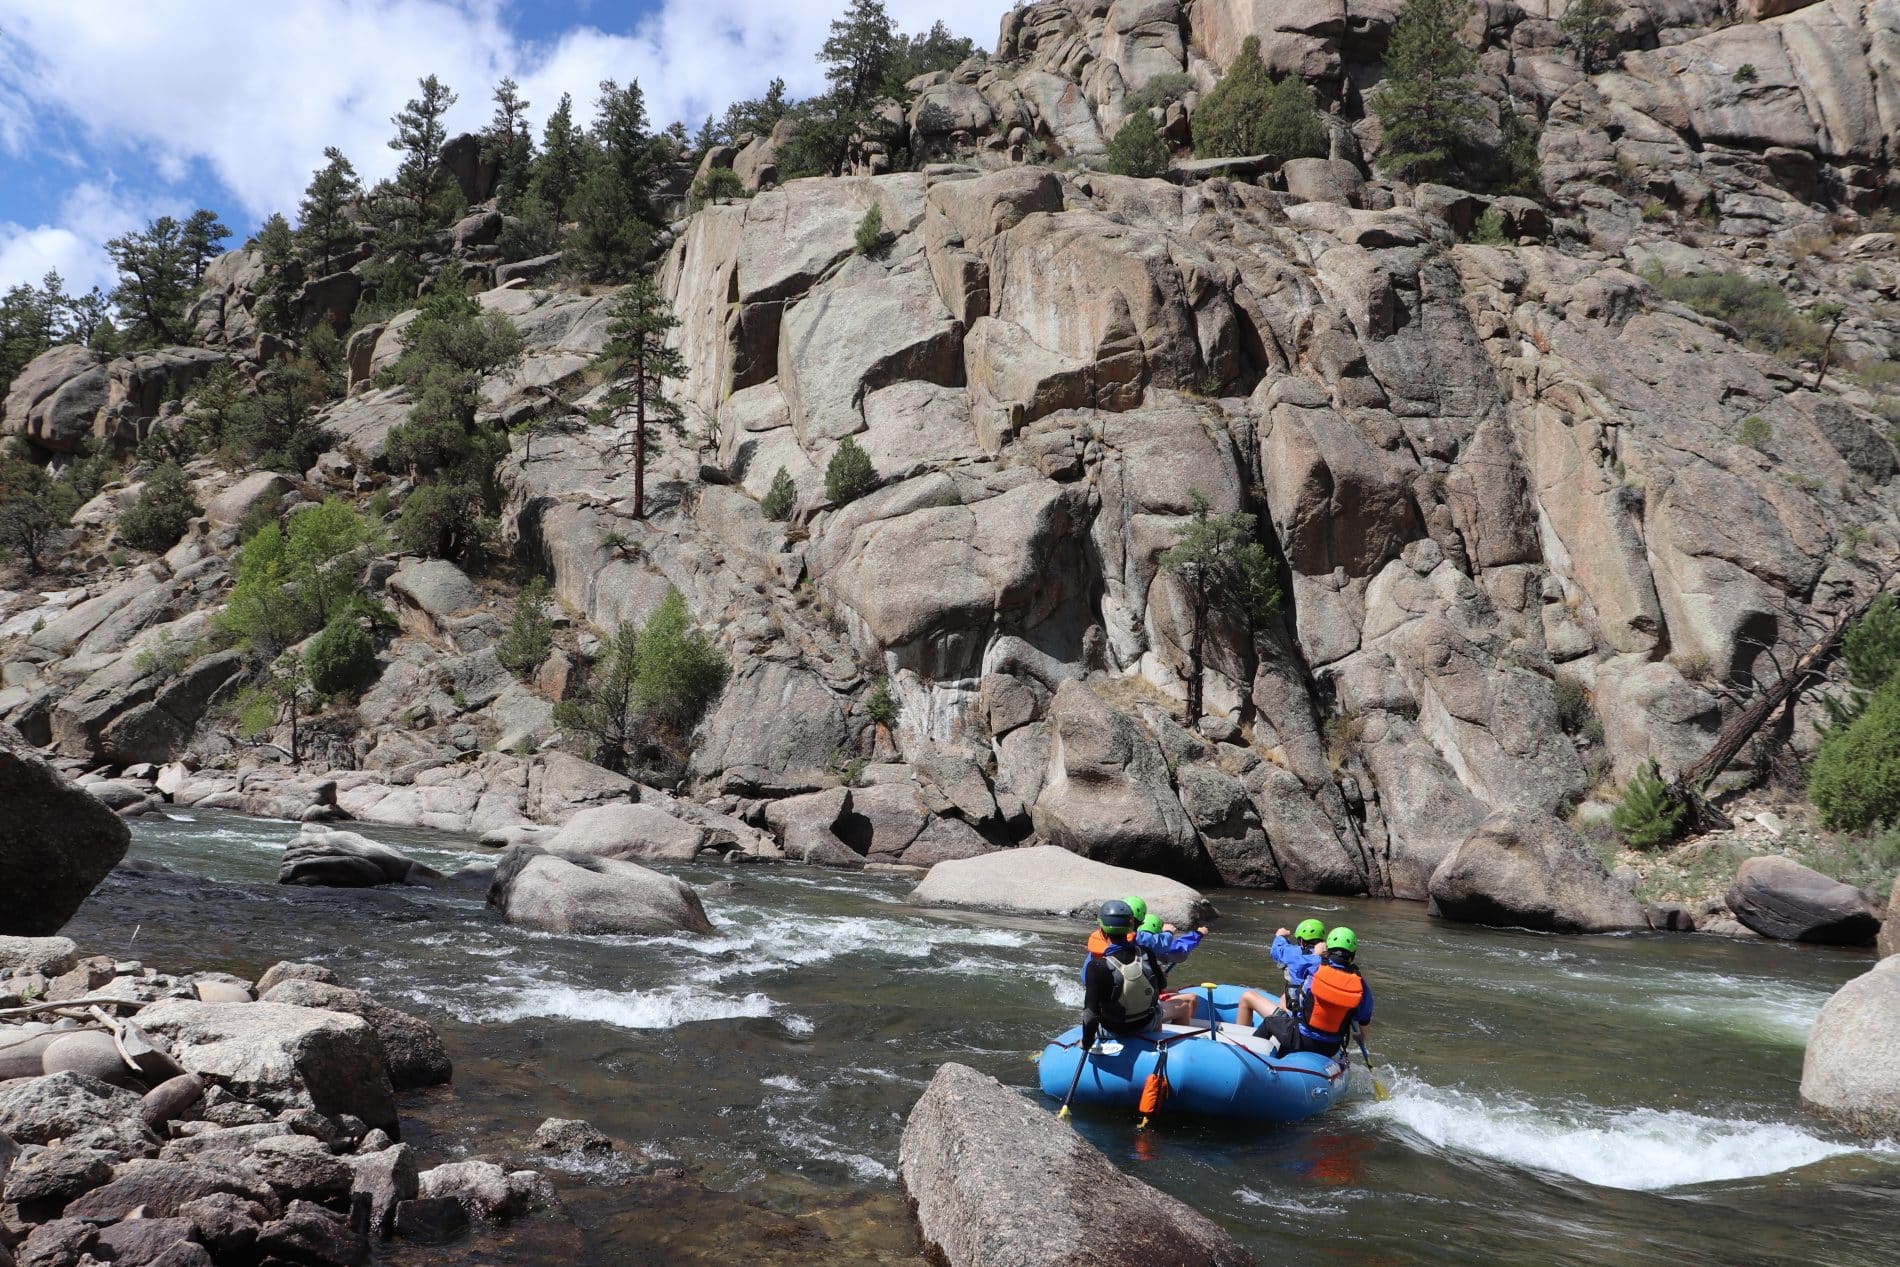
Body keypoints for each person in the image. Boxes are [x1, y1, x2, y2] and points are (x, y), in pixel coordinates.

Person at [1253, 927, 1373, 1060]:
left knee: (1270, 1022)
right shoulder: (1361, 984)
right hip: (1331, 1048)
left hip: (1301, 1039)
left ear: (1327, 948)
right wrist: (1361, 1037)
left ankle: (1250, 1057)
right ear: (1353, 955)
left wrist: (1315, 954)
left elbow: (1285, 958)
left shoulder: (1314, 964)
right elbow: (1364, 1019)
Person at [1233, 918, 1324, 1030]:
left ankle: (1241, 1040)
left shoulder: (1295, 954)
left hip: (1297, 1023)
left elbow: (1277, 951)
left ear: (1301, 941)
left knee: (1247, 997)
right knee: (1284, 998)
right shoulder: (1327, 961)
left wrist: (1280, 936)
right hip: (1319, 1022)